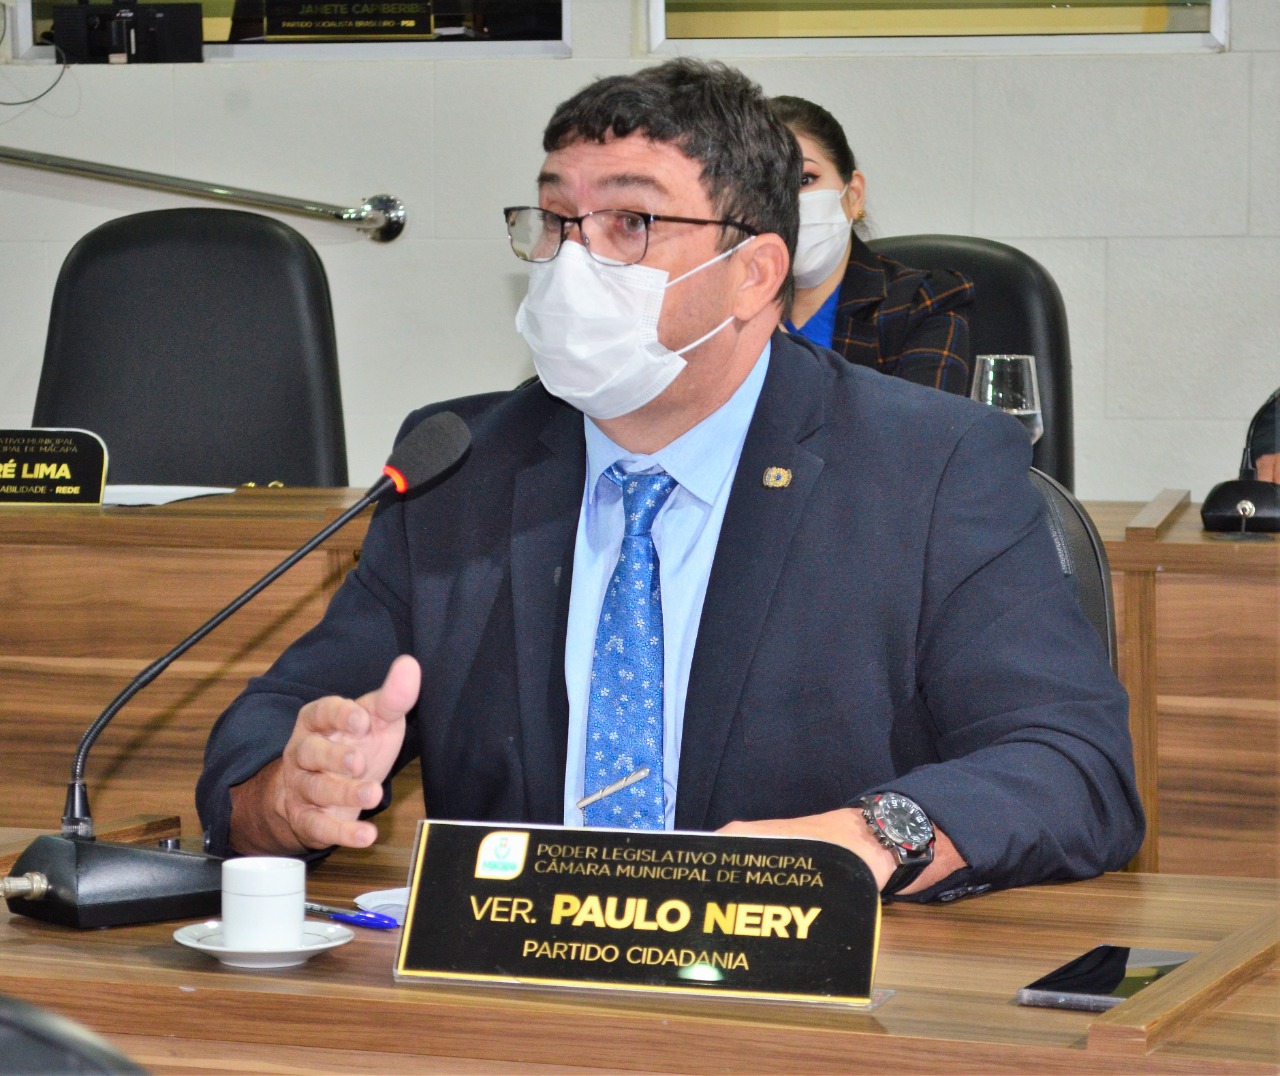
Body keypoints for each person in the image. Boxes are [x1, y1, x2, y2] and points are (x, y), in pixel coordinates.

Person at [198, 59, 1142, 903]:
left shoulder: (927, 465)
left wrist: (863, 840)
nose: (574, 260)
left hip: (809, 1012)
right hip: (511, 999)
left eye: (630, 223)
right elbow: (266, 736)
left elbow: (1072, 767)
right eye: (555, 221)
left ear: (753, 273)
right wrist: (290, 791)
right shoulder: (465, 462)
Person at [770, 95, 974, 395]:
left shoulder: (922, 303)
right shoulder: (724, 309)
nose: (789, 202)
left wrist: (780, 352)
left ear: (854, 195)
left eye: (805, 179)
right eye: (766, 186)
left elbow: (922, 434)